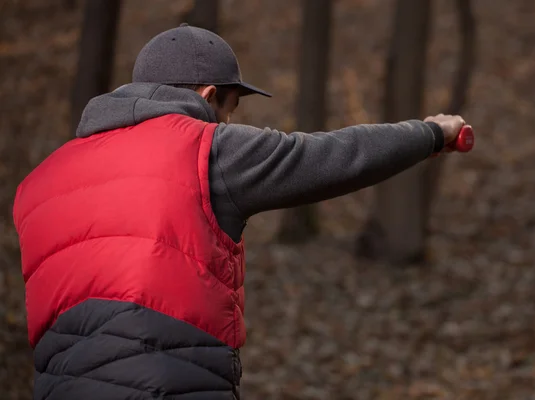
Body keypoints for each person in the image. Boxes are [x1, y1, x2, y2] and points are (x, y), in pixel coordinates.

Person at [13, 24, 470, 400]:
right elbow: (332, 157)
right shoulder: (205, 147)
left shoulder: (40, 183)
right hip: (171, 385)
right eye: (229, 109)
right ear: (209, 95)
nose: (228, 123)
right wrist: (430, 133)